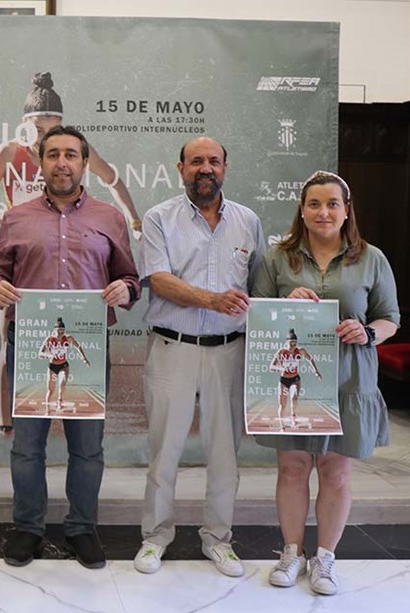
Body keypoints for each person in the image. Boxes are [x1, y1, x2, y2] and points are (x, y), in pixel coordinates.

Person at [0, 125, 140, 569]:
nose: (62, 163)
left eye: (71, 154)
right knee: (27, 447)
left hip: (87, 346)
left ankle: (82, 528)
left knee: (87, 447)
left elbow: (130, 278)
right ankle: (28, 528)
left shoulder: (109, 218)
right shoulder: (17, 217)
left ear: (84, 163)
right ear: (40, 162)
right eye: (53, 154)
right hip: (30, 346)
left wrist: (126, 290)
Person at [0, 72, 144, 434]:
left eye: (50, 129)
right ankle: (8, 422)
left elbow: (112, 179)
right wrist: (15, 216)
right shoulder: (9, 152)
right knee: (11, 340)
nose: (43, 138)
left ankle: (76, 415)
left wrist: (134, 218)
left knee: (77, 342)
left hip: (72, 262)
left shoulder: (73, 152)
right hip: (26, 260)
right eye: (37, 130)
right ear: (24, 124)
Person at [252, 170, 399, 595]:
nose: (323, 212)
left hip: (349, 377)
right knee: (292, 467)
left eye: (332, 204)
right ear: (302, 210)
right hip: (294, 376)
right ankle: (292, 552)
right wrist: (284, 303)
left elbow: (390, 319)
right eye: (314, 204)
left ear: (346, 209)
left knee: (335, 470)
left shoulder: (371, 258)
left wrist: (367, 332)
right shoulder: (278, 258)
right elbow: (256, 314)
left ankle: (326, 558)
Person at [136, 137, 265, 577]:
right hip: (172, 347)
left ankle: (218, 539)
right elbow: (158, 279)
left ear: (225, 168)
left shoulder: (248, 221)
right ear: (181, 169)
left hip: (229, 351)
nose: (205, 168)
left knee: (225, 455)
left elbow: (260, 286)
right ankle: (155, 538)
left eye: (213, 161)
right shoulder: (159, 218)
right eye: (196, 161)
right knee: (164, 452)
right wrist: (212, 300)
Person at [269, 328, 322, 429]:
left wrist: (316, 371)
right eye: (291, 343)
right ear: (286, 342)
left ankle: (293, 414)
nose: (293, 346)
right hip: (283, 380)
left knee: (294, 398)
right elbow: (271, 366)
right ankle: (282, 426)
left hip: (295, 379)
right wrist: (281, 368)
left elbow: (310, 359)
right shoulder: (281, 352)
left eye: (295, 343)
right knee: (282, 404)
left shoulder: (300, 351)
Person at [38, 317, 91, 413]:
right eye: (58, 331)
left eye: (62, 331)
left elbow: (78, 346)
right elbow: (40, 353)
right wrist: (49, 355)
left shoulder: (68, 338)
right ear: (54, 330)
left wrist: (84, 358)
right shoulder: (50, 339)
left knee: (62, 384)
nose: (60, 334)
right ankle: (47, 410)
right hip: (53, 367)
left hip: (63, 365)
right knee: (50, 390)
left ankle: (60, 400)